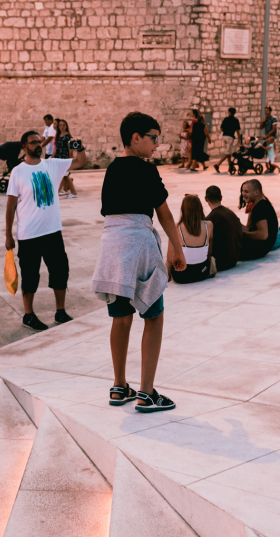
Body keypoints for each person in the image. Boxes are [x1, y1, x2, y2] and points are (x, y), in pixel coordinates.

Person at [92, 112, 185, 413]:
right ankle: (146, 393)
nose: (157, 145)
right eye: (154, 138)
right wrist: (177, 249)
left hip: (112, 247)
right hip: (138, 244)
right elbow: (165, 215)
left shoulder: (111, 170)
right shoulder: (147, 170)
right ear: (136, 138)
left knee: (121, 317)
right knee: (153, 315)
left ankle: (120, 386)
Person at [5, 129, 87, 331]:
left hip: (52, 232)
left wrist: (80, 147)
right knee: (30, 276)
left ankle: (60, 311)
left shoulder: (52, 165)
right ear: (24, 146)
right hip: (29, 235)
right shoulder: (18, 171)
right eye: (33, 142)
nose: (37, 145)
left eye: (39, 141)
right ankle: (29, 315)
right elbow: (10, 205)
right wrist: (8, 234)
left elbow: (80, 162)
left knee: (60, 271)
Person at [171, 195, 214, 284]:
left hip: (182, 276)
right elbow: (209, 252)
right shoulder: (209, 225)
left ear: (183, 209)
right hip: (202, 272)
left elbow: (169, 258)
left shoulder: (177, 227)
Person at [204, 186, 243, 272]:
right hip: (234, 259)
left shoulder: (210, 219)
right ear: (221, 197)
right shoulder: (231, 214)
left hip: (220, 262)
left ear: (206, 199)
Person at [239, 180, 278, 260]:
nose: (243, 194)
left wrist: (241, 234)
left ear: (256, 192)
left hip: (258, 249)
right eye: (242, 191)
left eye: (246, 191)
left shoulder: (260, 208)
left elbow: (263, 235)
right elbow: (249, 229)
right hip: (262, 248)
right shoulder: (261, 204)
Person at [53, 118, 78, 199]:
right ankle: (59, 192)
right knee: (62, 175)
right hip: (58, 157)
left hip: (65, 157)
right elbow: (56, 147)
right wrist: (53, 156)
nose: (62, 127)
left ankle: (72, 192)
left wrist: (70, 160)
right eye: (60, 125)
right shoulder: (57, 135)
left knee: (65, 175)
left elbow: (70, 149)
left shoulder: (68, 136)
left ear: (66, 126)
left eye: (64, 125)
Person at [214, 107, 241, 172]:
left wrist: (226, 130)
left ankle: (230, 167)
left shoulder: (225, 119)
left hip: (224, 136)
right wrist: (239, 139)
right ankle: (217, 164)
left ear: (230, 112)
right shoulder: (236, 120)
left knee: (228, 152)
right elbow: (237, 131)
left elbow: (221, 128)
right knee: (227, 152)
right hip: (230, 137)